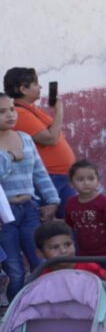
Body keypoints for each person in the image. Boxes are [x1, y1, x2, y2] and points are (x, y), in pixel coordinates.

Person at [0, 93, 59, 299]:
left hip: (29, 209)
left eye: (12, 109)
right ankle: (14, 313)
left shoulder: (25, 138)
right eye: (2, 111)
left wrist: (52, 200)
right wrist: (8, 156)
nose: (9, 115)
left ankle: (43, 303)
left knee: (39, 262)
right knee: (15, 270)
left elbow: (39, 173)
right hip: (4, 216)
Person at [5, 67, 76, 210]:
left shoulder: (31, 109)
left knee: (71, 219)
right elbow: (50, 139)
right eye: (36, 84)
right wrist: (59, 111)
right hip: (50, 177)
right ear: (23, 89)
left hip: (60, 176)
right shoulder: (19, 113)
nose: (40, 87)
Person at [62, 159, 106, 258]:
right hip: (83, 255)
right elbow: (69, 227)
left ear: (98, 180)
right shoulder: (71, 204)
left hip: (105, 254)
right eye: (80, 179)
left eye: (91, 179)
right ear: (71, 183)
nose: (86, 183)